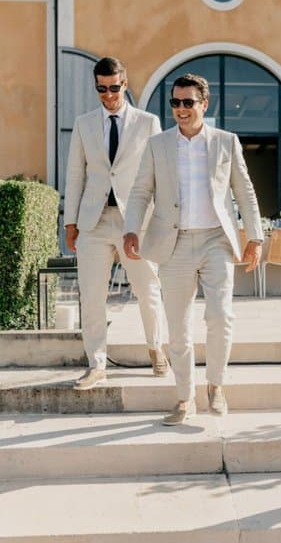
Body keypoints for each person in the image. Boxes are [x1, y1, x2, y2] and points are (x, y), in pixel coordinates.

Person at [123, 73, 263, 426]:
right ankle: (185, 397)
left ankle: (215, 385)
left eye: (188, 102)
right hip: (174, 243)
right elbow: (141, 192)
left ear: (204, 104)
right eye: (175, 102)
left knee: (221, 316)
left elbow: (244, 191)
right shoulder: (158, 145)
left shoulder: (225, 142)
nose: (181, 109)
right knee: (178, 328)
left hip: (217, 240)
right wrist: (130, 229)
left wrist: (255, 236)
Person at [63, 56, 168, 390]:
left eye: (113, 87)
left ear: (125, 84)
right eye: (101, 89)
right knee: (91, 295)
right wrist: (71, 222)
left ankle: (156, 348)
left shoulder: (148, 122)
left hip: (134, 222)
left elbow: (159, 176)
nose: (107, 94)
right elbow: (75, 174)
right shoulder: (83, 124)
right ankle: (96, 364)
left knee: (147, 288)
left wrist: (157, 222)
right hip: (94, 221)